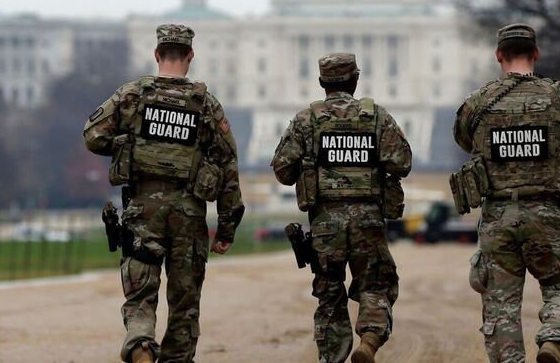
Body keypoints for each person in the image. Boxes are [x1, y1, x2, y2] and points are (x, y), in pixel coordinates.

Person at [453, 23, 560, 363]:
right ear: (536, 54)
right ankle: (554, 338)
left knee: (501, 309)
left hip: (498, 218)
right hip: (549, 216)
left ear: (499, 56)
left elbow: (464, 140)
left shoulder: (479, 103)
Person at [83, 24, 244, 363]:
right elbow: (228, 165)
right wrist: (226, 228)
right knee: (185, 304)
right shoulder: (206, 105)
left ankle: (140, 342)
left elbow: (92, 134)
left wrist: (128, 147)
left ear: (157, 55)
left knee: (140, 290)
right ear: (190, 56)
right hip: (188, 213)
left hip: (143, 209)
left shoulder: (132, 95)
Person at [272, 53, 412, 363]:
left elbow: (282, 171)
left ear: (322, 83)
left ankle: (332, 357)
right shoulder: (376, 116)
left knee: (329, 293)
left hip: (326, 224)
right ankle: (370, 340)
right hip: (368, 221)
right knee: (375, 284)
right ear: (355, 80)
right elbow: (402, 162)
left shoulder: (306, 120)